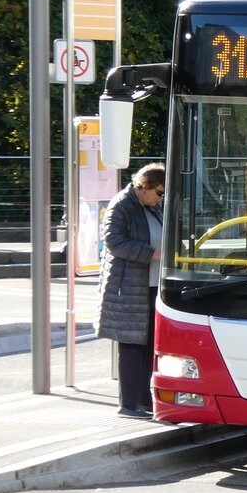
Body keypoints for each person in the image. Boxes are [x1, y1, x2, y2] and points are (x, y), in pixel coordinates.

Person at [98, 162, 165, 419]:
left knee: (148, 343)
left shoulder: (152, 207)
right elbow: (113, 242)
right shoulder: (122, 204)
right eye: (159, 192)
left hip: (150, 285)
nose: (161, 198)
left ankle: (143, 399)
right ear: (143, 186)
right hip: (127, 287)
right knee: (131, 344)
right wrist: (151, 253)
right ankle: (127, 404)